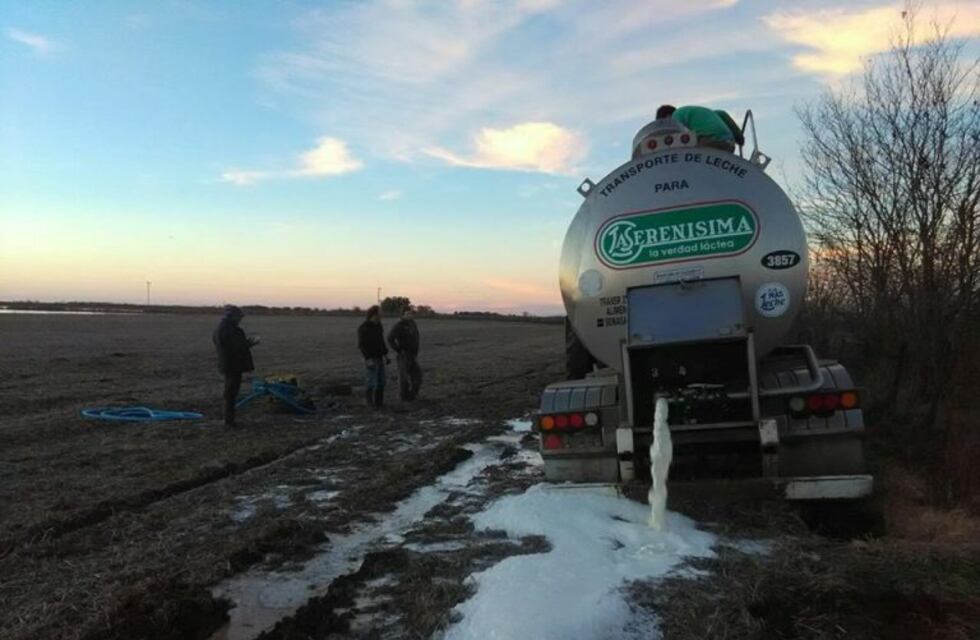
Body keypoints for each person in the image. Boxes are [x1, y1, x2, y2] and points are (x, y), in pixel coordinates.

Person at [213, 305, 258, 428]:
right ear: (232, 316)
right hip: (233, 365)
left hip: (228, 364)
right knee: (231, 393)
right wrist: (250, 343)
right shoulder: (230, 329)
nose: (240, 319)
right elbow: (238, 347)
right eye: (239, 316)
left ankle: (229, 419)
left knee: (230, 392)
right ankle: (229, 421)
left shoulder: (221, 328)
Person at [657, 104, 737, 152]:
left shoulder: (676, 116)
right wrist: (740, 138)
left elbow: (676, 139)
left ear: (667, 117)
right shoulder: (699, 112)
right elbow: (722, 113)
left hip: (709, 141)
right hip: (729, 144)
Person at [387, 306, 422, 401]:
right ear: (403, 315)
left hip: (413, 355)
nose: (410, 315)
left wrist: (415, 351)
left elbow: (416, 337)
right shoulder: (398, 325)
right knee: (403, 378)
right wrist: (398, 350)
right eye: (407, 314)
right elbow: (390, 338)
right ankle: (403, 397)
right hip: (404, 355)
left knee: (418, 377)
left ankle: (412, 395)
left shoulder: (413, 324)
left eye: (411, 313)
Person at [357, 305, 389, 408]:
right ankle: (369, 402)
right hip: (371, 359)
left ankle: (379, 403)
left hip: (379, 357)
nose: (382, 314)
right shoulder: (364, 327)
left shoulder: (378, 326)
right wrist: (368, 359)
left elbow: (381, 342)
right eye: (380, 312)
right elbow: (362, 345)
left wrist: (385, 355)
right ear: (375, 314)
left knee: (381, 381)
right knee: (371, 381)